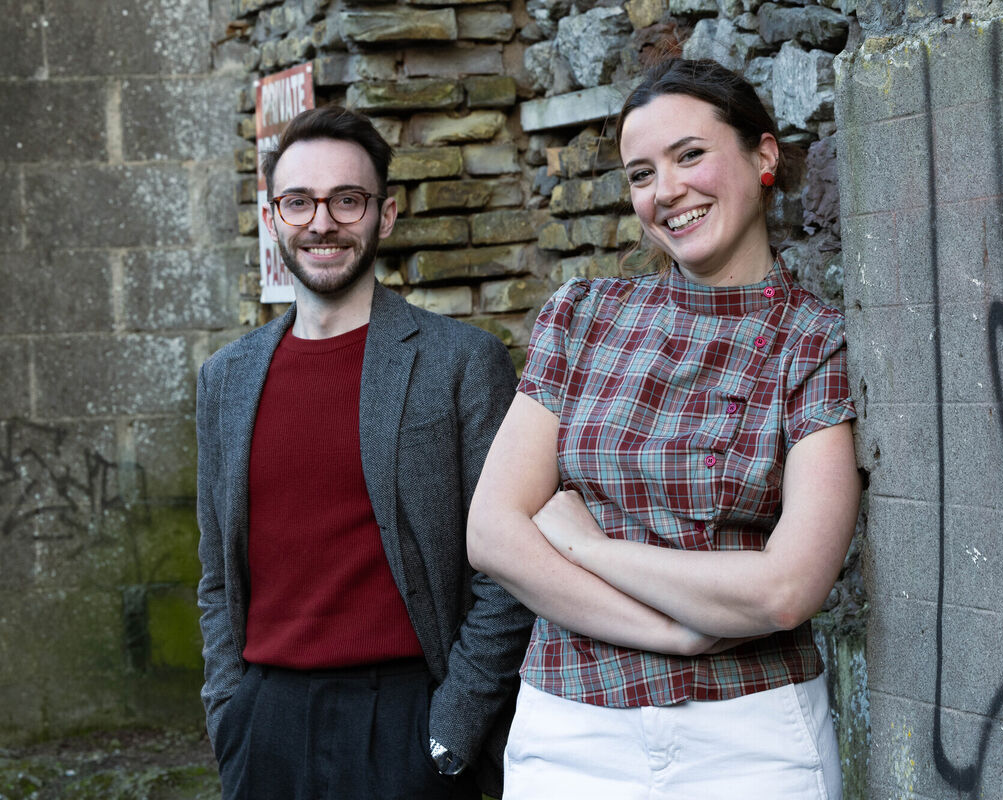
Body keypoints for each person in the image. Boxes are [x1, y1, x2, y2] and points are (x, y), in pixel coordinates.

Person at [466, 59, 860, 798]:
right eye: (641, 173)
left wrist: (588, 544)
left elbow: (785, 589)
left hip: (750, 737)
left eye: (689, 155)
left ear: (763, 155)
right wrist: (675, 634)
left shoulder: (813, 340)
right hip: (570, 731)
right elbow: (493, 532)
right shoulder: (582, 316)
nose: (666, 191)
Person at [195, 105, 533, 800]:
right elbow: (217, 577)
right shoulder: (226, 379)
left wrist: (452, 732)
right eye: (299, 202)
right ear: (273, 218)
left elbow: (510, 569)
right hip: (266, 726)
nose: (322, 222)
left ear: (385, 215)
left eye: (347, 200)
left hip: (409, 720)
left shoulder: (460, 363)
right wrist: (231, 716)